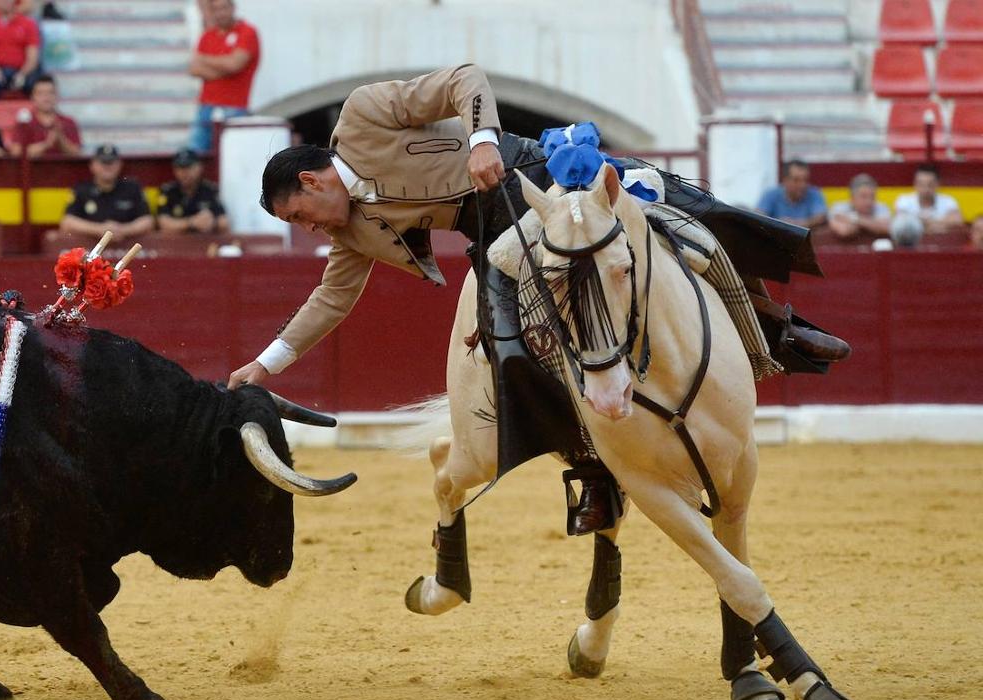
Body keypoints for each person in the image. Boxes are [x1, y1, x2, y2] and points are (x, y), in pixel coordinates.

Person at [227, 65, 851, 538]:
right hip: (498, 240)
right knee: (513, 356)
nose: (309, 227)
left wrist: (481, 141)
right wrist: (266, 364)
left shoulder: (364, 115)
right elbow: (330, 300)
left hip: (538, 179)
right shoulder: (350, 234)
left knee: (685, 214)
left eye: (300, 214)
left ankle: (778, 327)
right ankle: (595, 469)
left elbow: (464, 79)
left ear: (310, 180)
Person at [186, 0, 259, 153]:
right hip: (206, 106)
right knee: (194, 154)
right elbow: (194, 69)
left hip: (234, 106)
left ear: (233, 7)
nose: (220, 13)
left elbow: (234, 64)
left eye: (223, 8)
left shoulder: (247, 32)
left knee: (231, 153)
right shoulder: (208, 35)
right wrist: (226, 68)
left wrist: (204, 59)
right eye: (216, 10)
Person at [56, 144, 154, 242]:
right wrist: (99, 229)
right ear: (92, 165)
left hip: (127, 247)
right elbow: (67, 223)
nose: (107, 166)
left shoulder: (132, 188)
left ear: (120, 164)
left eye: (111, 162)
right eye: (103, 162)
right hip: (90, 248)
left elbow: (147, 222)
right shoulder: (81, 190)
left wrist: (122, 230)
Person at [0, 0, 41, 102]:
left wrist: (22, 74)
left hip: (20, 71)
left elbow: (33, 57)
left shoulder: (28, 23)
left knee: (34, 85)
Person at [157, 147, 229, 234]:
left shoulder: (209, 189)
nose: (184, 173)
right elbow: (163, 223)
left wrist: (212, 223)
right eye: (180, 168)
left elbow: (224, 222)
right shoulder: (168, 191)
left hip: (203, 239)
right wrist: (192, 223)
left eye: (188, 167)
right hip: (175, 240)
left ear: (199, 167)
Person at [7, 76, 81, 157]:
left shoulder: (68, 122)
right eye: (40, 93)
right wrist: (46, 145)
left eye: (51, 93)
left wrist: (61, 141)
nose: (46, 97)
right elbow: (16, 153)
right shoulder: (24, 123)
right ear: (32, 97)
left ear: (57, 95)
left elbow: (77, 154)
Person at [894, 164, 964, 235]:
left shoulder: (948, 201)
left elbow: (957, 221)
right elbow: (901, 223)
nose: (925, 189)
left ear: (937, 184)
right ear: (915, 184)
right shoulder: (904, 200)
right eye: (921, 184)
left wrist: (920, 224)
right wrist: (940, 225)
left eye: (930, 185)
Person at [756, 159, 827, 228]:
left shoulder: (814, 193)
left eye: (805, 180)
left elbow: (821, 217)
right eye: (796, 180)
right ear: (785, 180)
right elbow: (759, 217)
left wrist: (794, 225)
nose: (802, 185)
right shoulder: (770, 194)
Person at [827, 173, 890, 242]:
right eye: (864, 197)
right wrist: (872, 224)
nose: (869, 202)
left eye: (872, 197)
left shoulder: (881, 208)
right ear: (852, 198)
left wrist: (854, 218)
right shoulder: (838, 208)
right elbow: (845, 231)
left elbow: (886, 228)